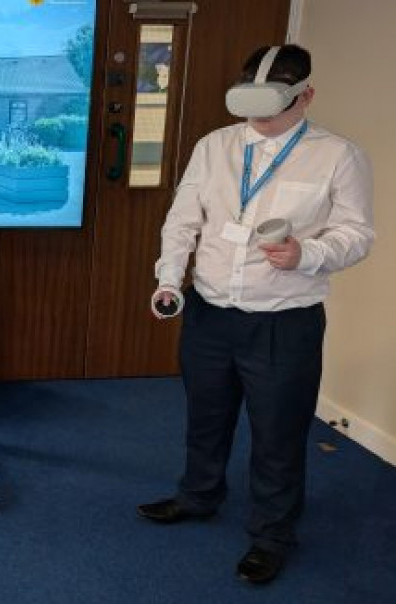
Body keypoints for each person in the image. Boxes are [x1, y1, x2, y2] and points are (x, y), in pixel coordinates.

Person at [138, 44, 374, 585]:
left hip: (283, 321)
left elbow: (358, 234)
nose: (258, 123)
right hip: (209, 314)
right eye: (250, 111)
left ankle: (272, 536)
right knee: (207, 417)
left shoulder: (338, 155)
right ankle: (198, 496)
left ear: (306, 95)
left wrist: (307, 253)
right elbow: (182, 221)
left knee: (278, 435)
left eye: (270, 111)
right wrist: (168, 280)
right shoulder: (214, 146)